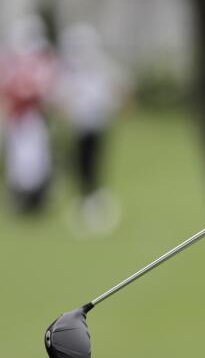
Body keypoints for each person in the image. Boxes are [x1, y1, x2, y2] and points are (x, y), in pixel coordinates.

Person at [54, 23, 126, 235]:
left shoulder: (101, 66)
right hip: (79, 126)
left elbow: (116, 89)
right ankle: (86, 200)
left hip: (97, 124)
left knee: (93, 162)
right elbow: (62, 96)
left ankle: (94, 200)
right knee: (80, 163)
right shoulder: (70, 69)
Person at [0, 15, 56, 214]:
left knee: (36, 160)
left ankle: (36, 199)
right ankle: (21, 199)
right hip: (17, 118)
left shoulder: (41, 62)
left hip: (32, 117)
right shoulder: (10, 63)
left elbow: (43, 89)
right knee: (18, 161)